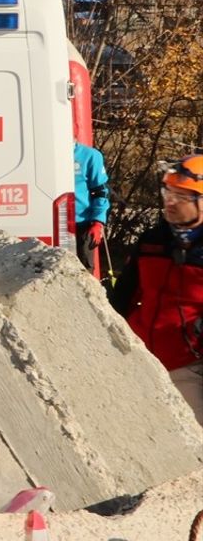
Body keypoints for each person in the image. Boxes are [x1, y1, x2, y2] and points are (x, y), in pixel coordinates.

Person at [109, 154, 203, 424]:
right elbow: (123, 297)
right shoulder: (153, 241)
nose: (170, 202)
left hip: (189, 368)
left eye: (182, 196)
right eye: (168, 193)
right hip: (140, 361)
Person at [74, 141, 110, 273]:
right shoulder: (46, 153)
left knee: (84, 272)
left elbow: (100, 191)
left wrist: (98, 222)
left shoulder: (90, 155)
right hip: (55, 224)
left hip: (83, 224)